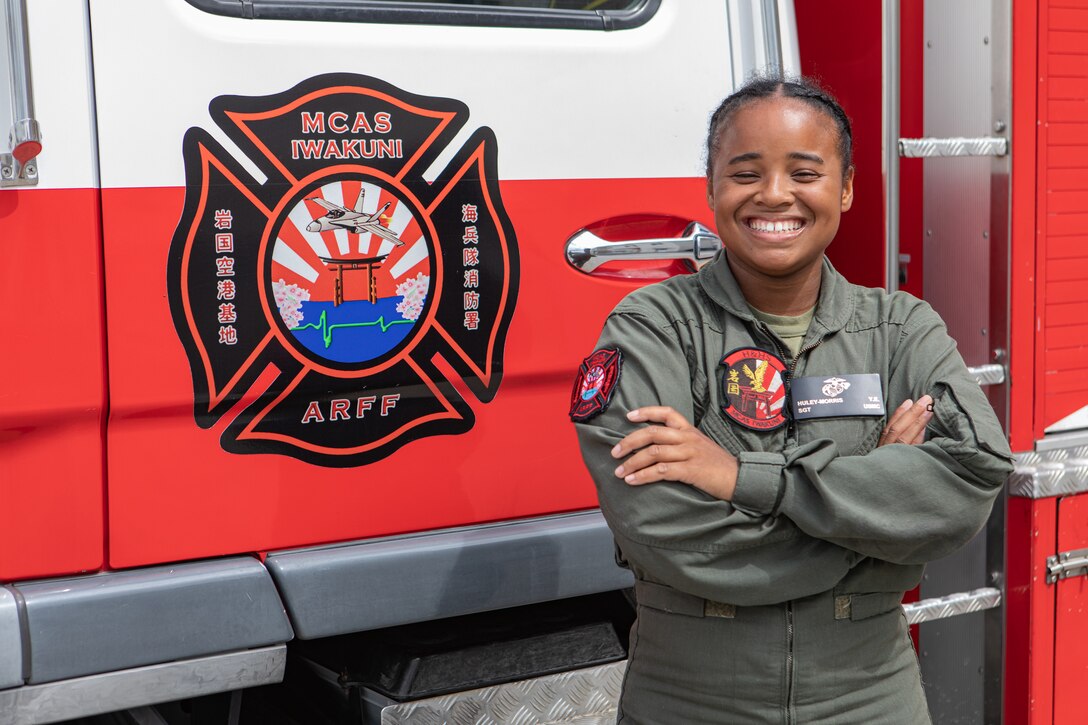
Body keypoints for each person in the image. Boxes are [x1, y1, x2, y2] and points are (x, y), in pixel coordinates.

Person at [570, 76, 1013, 724]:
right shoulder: (651, 328)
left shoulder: (900, 329)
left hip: (870, 701)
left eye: (803, 171)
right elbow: (664, 527)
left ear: (847, 187)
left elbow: (972, 474)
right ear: (712, 188)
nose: (774, 194)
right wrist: (877, 523)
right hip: (691, 702)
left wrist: (744, 478)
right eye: (745, 172)